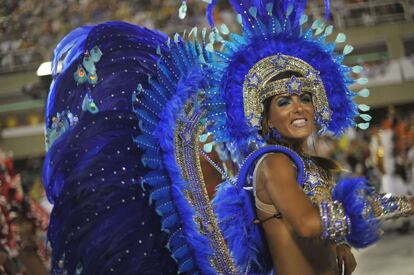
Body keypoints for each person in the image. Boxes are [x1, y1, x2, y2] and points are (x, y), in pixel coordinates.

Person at [43, 0, 414, 274]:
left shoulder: (302, 164)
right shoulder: (274, 163)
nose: (298, 108)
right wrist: (394, 205)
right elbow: (305, 223)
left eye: (305, 98)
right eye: (284, 101)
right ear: (264, 115)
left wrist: (338, 242)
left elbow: (310, 230)